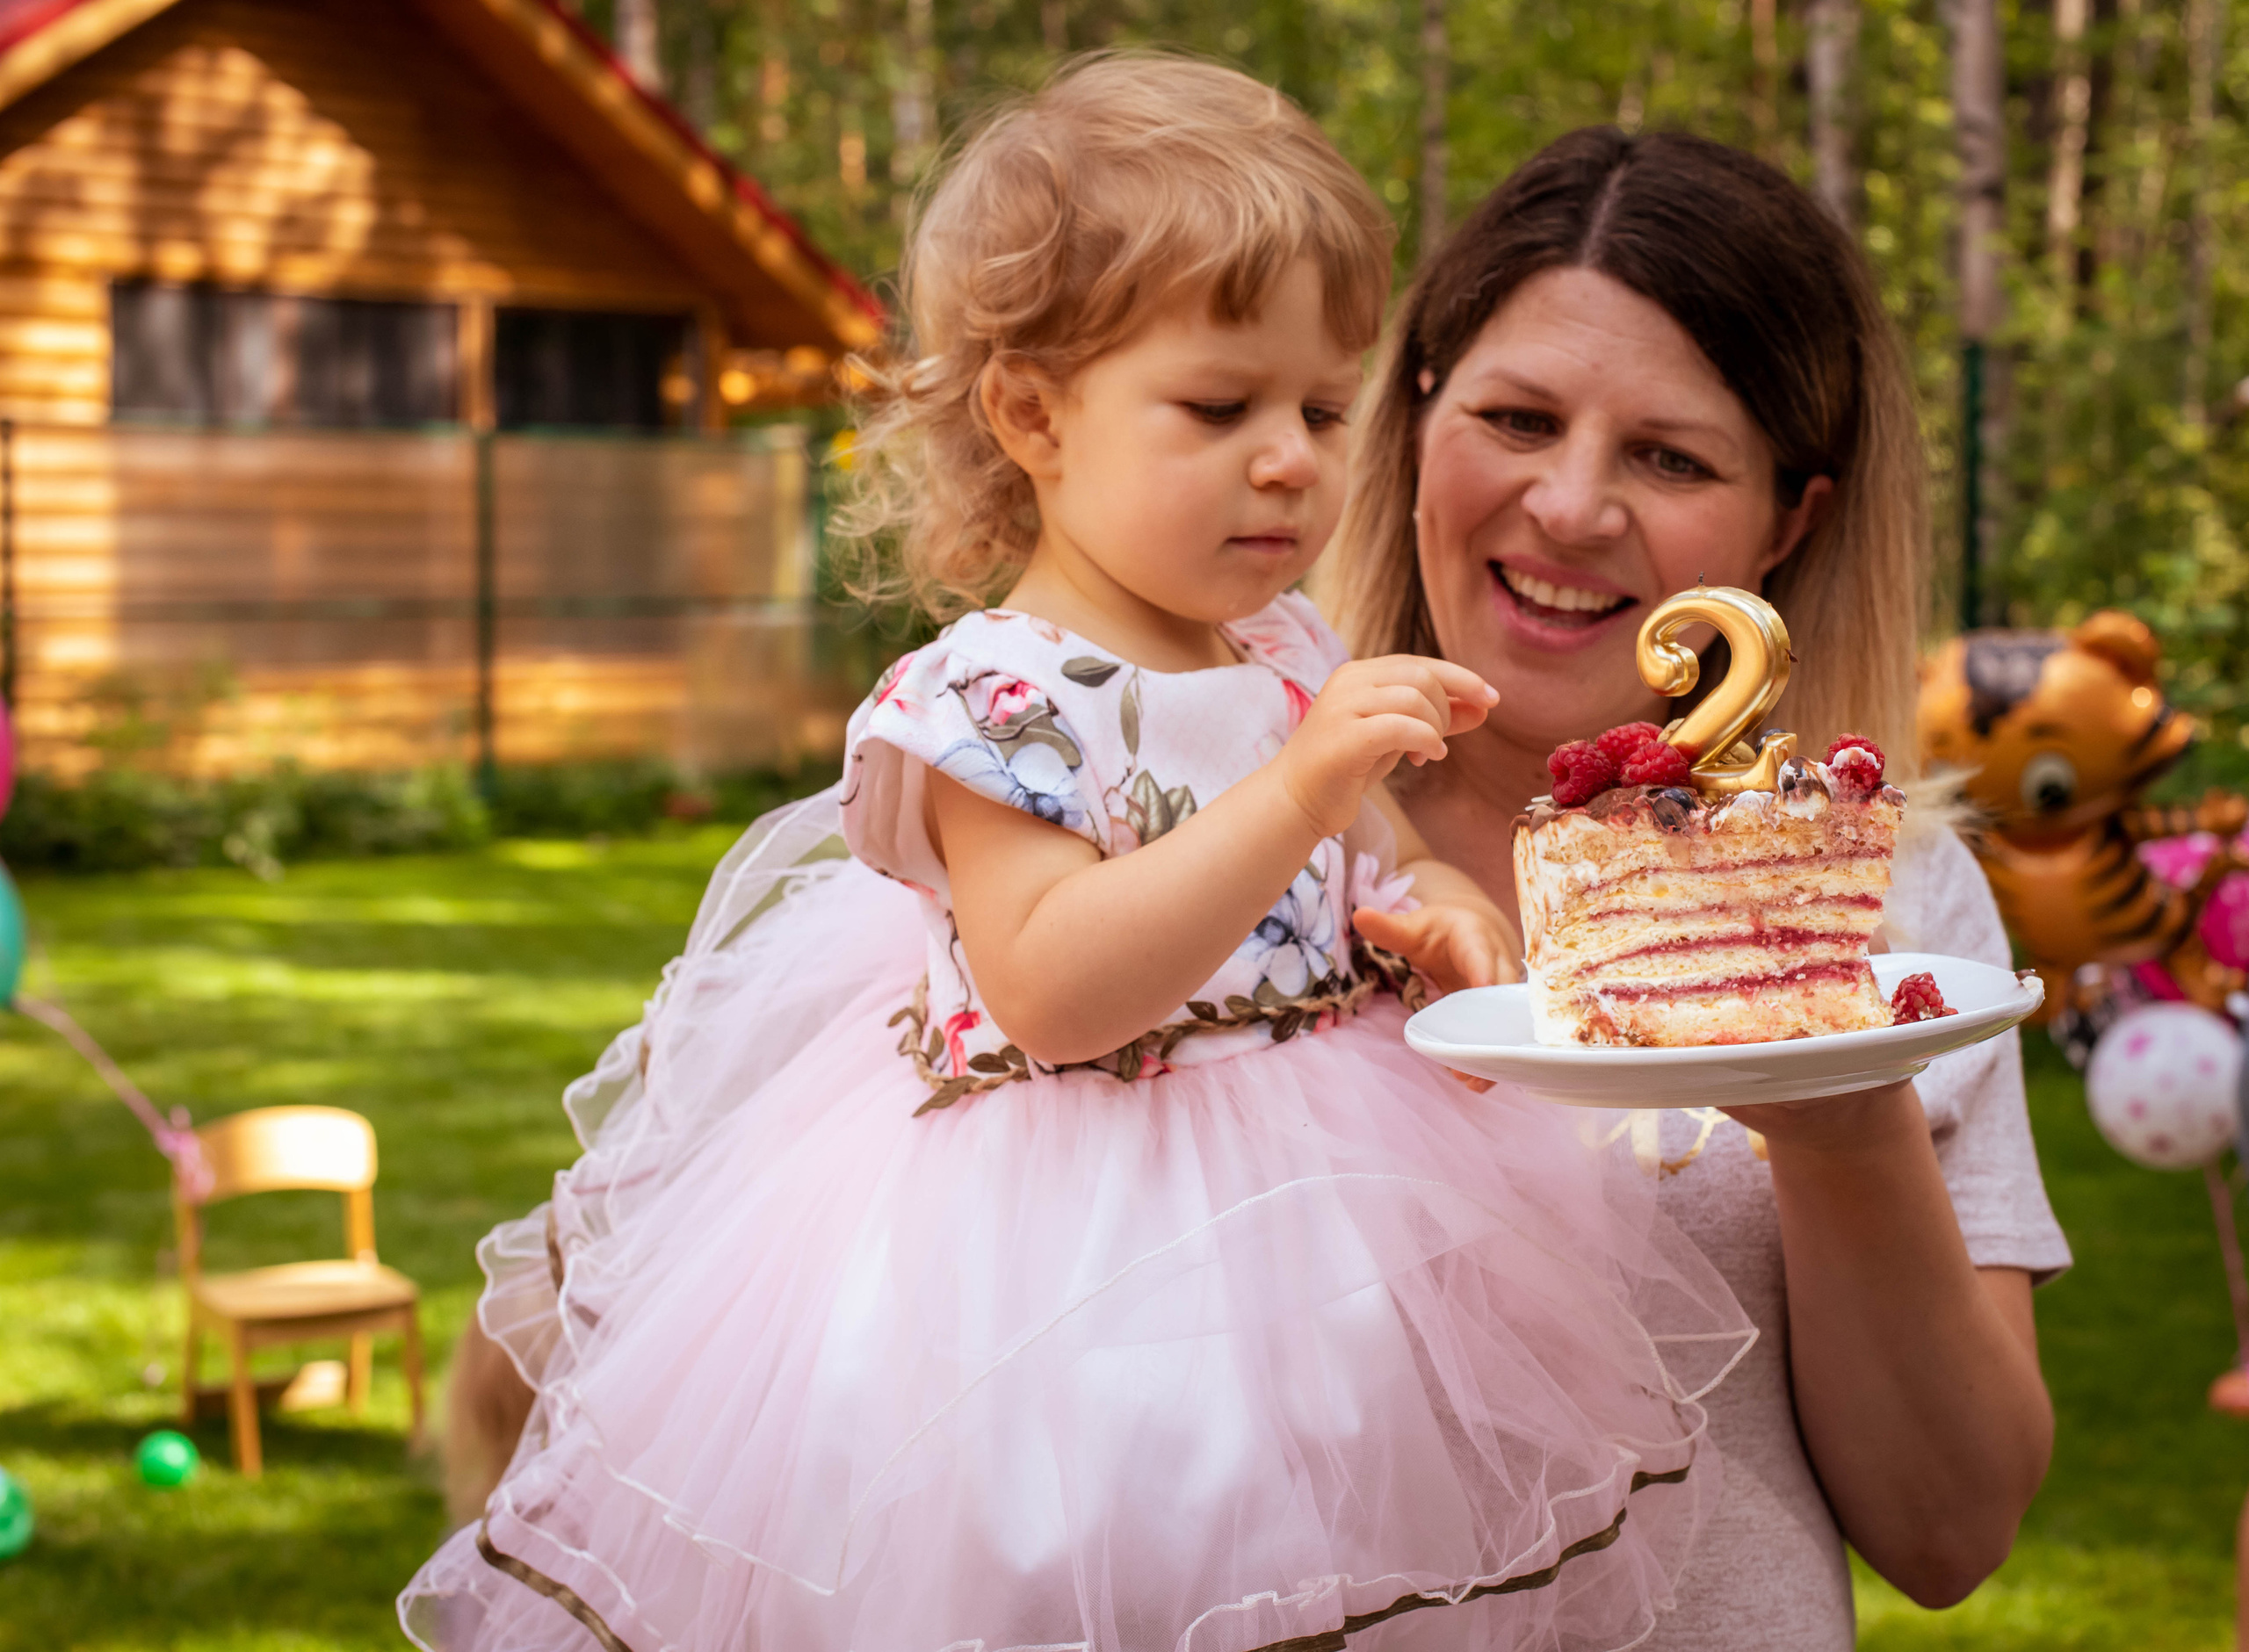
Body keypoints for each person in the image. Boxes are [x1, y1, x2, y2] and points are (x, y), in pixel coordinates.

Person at [401, 60, 1756, 1652]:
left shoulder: (1280, 643)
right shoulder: (994, 700)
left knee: (1312, 1562)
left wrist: (1438, 910)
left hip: (1321, 1214)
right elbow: (1053, 988)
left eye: (1323, 411)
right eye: (1220, 408)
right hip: (1067, 1256)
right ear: (1034, 415)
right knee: (1092, 1576)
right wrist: (1300, 787)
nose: (1290, 459)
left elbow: (1376, 858)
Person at [1329, 126, 2072, 1651]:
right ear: (1413, 420)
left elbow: (1948, 1532)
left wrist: (1838, 1109)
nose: (1570, 506)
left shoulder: (1885, 901)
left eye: (1671, 457)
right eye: (1517, 417)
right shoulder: (1211, 829)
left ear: (1791, 521)